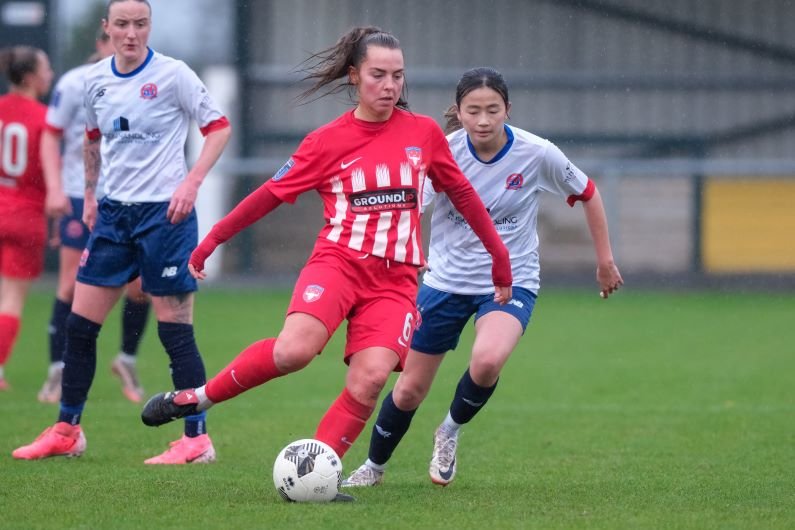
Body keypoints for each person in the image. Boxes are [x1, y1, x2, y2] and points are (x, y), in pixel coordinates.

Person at [140, 28, 512, 472]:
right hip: (338, 264)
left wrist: (500, 259)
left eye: (398, 75)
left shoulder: (424, 133)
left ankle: (317, 472)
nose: (390, 86)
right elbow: (270, 195)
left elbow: (465, 196)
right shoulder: (325, 142)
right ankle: (197, 398)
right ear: (355, 76)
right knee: (293, 352)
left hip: (395, 280)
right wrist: (213, 239)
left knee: (371, 378)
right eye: (378, 75)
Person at [342, 67, 624, 488]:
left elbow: (587, 192)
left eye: (493, 110)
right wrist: (407, 255)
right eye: (473, 111)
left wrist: (605, 261)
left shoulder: (536, 152)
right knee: (408, 391)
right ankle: (374, 468)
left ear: (507, 109)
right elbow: (411, 208)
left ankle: (449, 432)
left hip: (510, 280)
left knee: (488, 359)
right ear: (459, 111)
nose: (484, 120)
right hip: (443, 282)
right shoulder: (443, 151)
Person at [12, 0, 232, 464]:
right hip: (113, 216)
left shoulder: (174, 75)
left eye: (141, 24)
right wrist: (90, 197)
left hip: (166, 218)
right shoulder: (94, 81)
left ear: (149, 26)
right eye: (123, 24)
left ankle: (197, 439)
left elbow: (219, 128)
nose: (132, 33)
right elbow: (92, 139)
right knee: (79, 325)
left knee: (176, 332)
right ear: (107, 28)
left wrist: (191, 182)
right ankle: (67, 430)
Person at [38, 28, 152, 405]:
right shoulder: (75, 83)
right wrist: (55, 187)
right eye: (117, 31)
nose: (126, 39)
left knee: (141, 288)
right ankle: (57, 372)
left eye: (137, 28)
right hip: (77, 193)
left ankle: (126, 359)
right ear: (102, 38)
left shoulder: (148, 79)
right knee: (71, 285)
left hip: (128, 200)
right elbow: (50, 134)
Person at [0, 46, 55, 391]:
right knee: (12, 299)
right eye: (46, 68)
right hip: (25, 216)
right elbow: (49, 172)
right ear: (32, 77)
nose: (50, 75)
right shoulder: (44, 118)